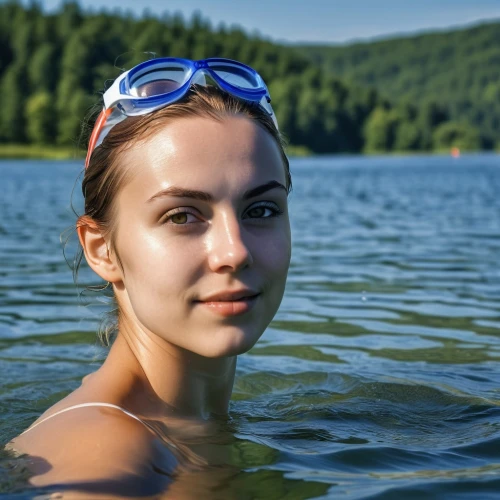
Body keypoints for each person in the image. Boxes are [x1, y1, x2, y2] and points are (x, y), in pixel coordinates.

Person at [6, 57, 292, 497]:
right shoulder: (106, 455)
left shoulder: (177, 427)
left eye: (261, 210)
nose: (235, 251)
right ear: (103, 251)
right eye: (181, 216)